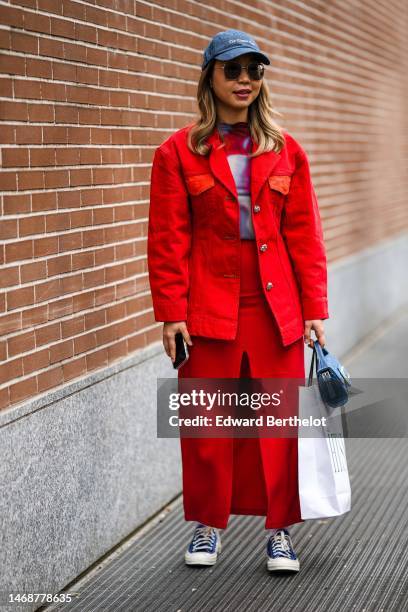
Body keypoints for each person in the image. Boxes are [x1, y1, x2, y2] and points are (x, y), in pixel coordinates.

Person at [147, 29, 328, 573]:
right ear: (211, 77)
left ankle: (281, 534)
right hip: (207, 307)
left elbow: (306, 236)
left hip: (278, 309)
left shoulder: (286, 149)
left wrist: (316, 310)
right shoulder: (177, 152)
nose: (245, 80)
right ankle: (207, 526)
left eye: (254, 70)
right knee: (207, 423)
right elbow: (167, 239)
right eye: (233, 70)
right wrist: (171, 314)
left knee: (278, 425)